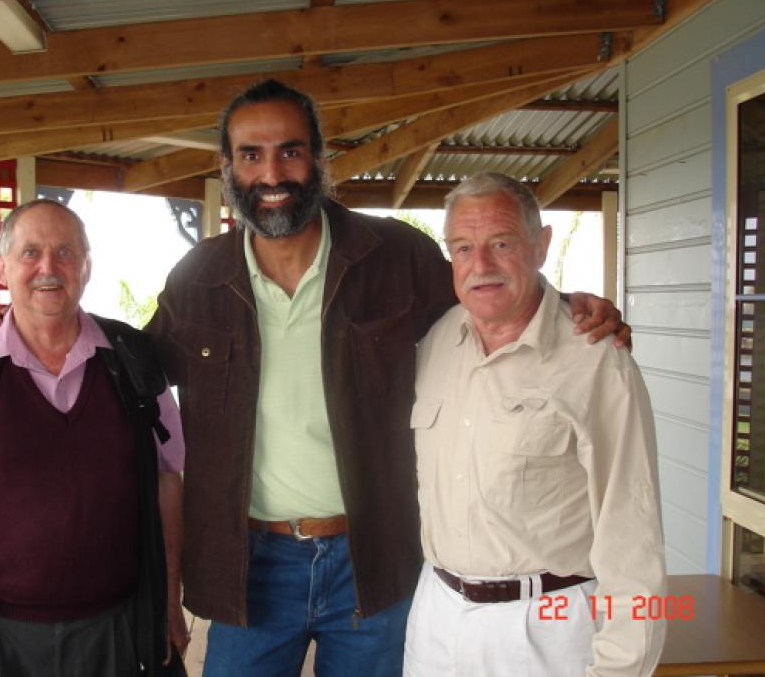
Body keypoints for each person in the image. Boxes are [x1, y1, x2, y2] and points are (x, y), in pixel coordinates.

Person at [145, 79, 631, 676]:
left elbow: (487, 302)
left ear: (319, 160)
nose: (272, 173)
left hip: (374, 560)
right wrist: (30, 330)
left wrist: (566, 305)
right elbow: (134, 368)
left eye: (290, 151)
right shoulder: (198, 278)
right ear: (228, 167)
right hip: (250, 567)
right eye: (251, 155)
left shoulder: (396, 256)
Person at [0, 199, 186, 677]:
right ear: (2, 267)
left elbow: (169, 484)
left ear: (86, 267)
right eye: (30, 253)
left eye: (65, 252)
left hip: (118, 634)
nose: (48, 267)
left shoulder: (133, 364)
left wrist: (170, 604)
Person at [404, 173, 666, 676]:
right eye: (462, 248)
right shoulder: (435, 343)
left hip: (547, 628)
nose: (480, 265)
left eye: (501, 243)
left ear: (540, 245)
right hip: (435, 619)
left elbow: (633, 534)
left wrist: (622, 666)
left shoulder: (595, 360)